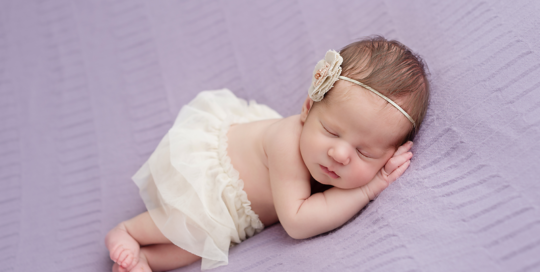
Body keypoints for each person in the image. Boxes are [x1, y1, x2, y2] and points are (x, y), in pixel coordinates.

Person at [105, 36, 430, 272]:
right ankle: (129, 231)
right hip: (212, 181)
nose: (340, 154)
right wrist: (368, 188)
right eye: (331, 131)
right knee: (192, 223)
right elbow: (298, 222)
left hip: (236, 216)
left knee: (205, 246)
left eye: (365, 152)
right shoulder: (287, 143)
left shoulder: (325, 159)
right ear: (306, 110)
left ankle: (146, 260)